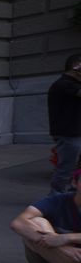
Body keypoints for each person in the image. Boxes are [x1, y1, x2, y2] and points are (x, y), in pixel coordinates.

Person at [10, 168, 81, 263]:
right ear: (75, 182)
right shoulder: (58, 201)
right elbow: (18, 223)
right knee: (36, 223)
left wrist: (66, 238)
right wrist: (62, 248)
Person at [47, 53, 81, 194]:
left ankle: (72, 193)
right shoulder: (64, 84)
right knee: (66, 168)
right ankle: (55, 196)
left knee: (74, 167)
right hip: (68, 134)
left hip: (74, 132)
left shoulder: (71, 84)